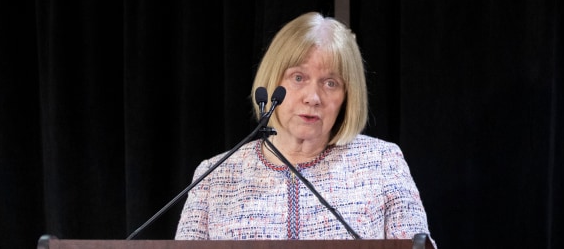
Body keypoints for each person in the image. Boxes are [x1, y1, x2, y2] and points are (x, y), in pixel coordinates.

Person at [175, 12, 436, 245]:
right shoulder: (214, 176)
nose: (313, 97)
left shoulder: (381, 163)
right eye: (298, 77)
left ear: (347, 95)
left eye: (330, 83)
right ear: (272, 82)